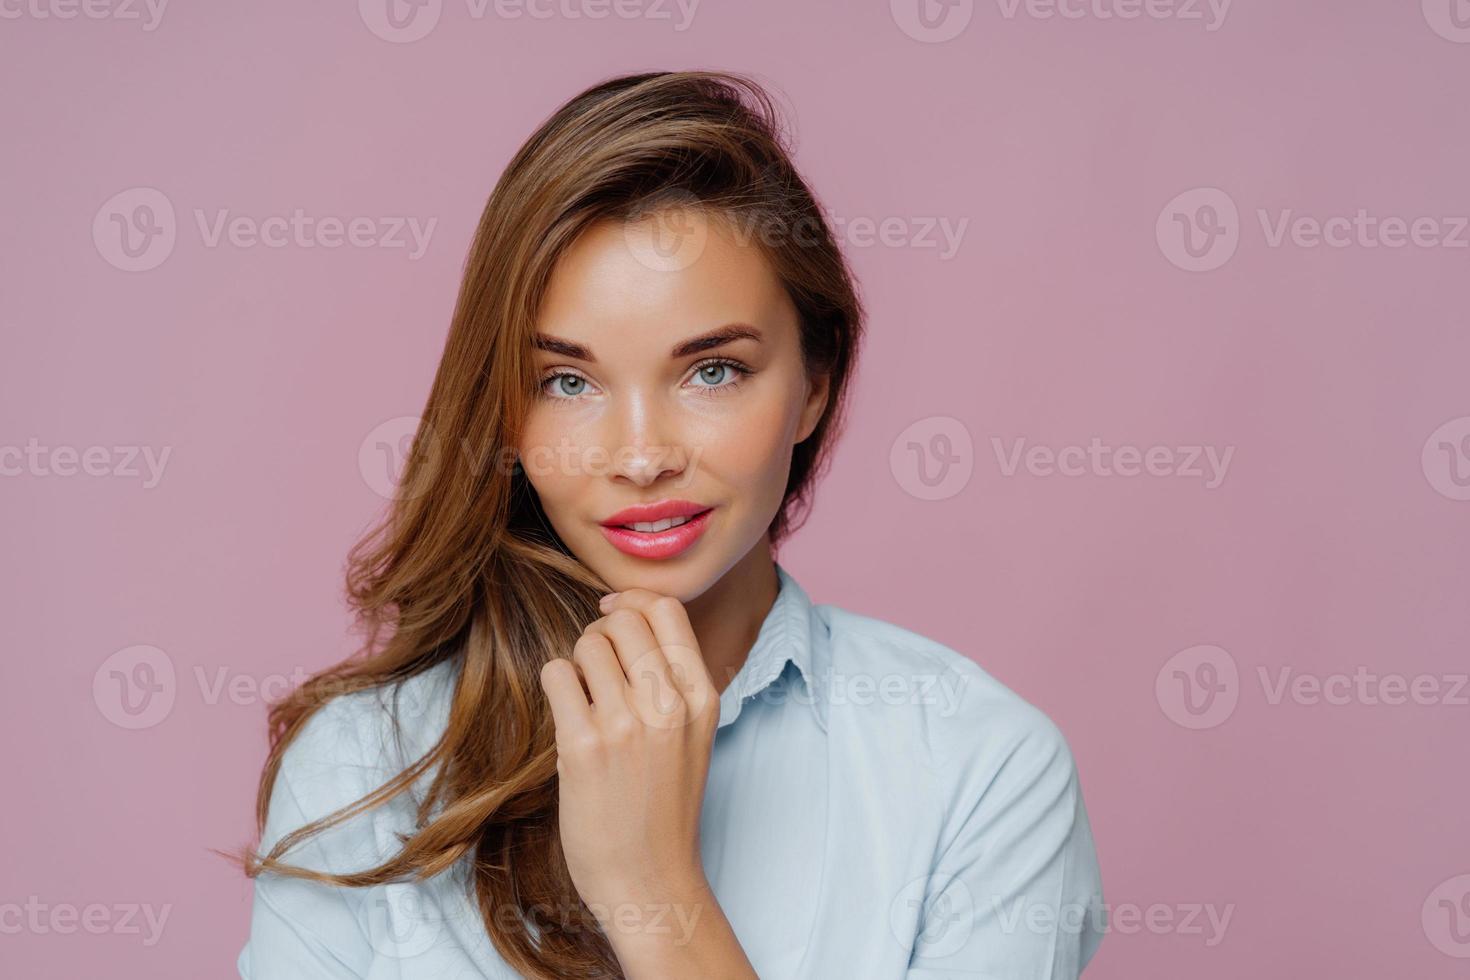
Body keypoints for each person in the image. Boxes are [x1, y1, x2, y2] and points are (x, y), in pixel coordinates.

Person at [236, 69, 1105, 979]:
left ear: (814, 383)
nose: (641, 455)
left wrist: (651, 887)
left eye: (713, 371)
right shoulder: (365, 769)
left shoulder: (983, 769)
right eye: (567, 382)